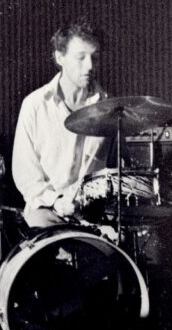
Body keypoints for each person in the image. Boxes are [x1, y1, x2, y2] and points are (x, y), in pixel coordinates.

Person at [11, 22, 112, 229]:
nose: (90, 66)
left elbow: (119, 169)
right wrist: (57, 201)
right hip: (47, 210)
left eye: (94, 57)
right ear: (60, 57)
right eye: (81, 57)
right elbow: (25, 175)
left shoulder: (109, 108)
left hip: (94, 216)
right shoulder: (35, 105)